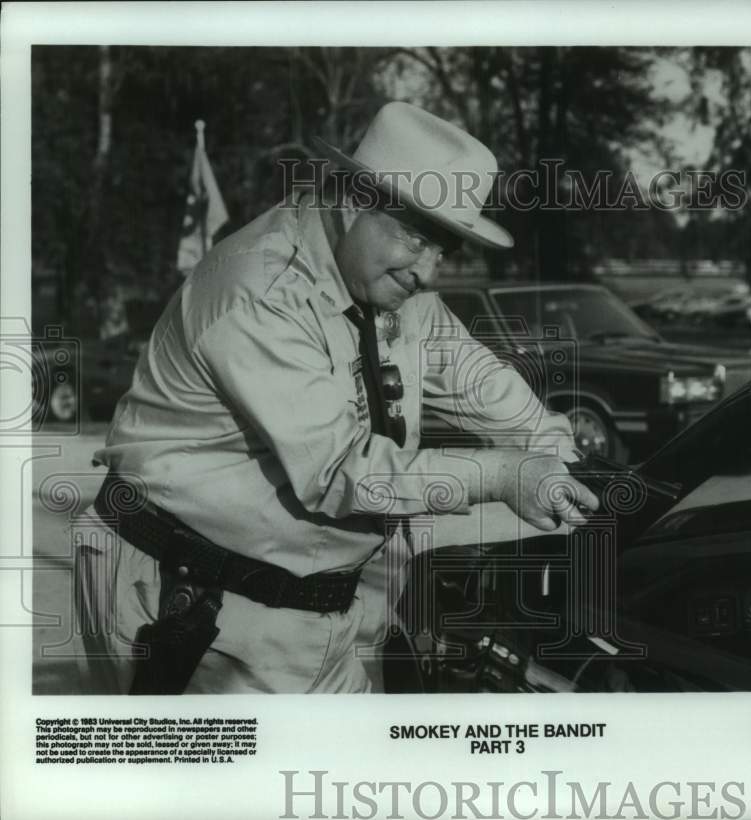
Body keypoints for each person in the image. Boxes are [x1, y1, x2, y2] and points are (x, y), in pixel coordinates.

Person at [74, 101, 598, 695]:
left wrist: (557, 452)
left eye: (443, 248)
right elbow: (339, 470)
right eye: (417, 238)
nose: (428, 272)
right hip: (191, 604)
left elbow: (477, 380)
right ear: (353, 200)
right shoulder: (260, 289)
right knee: (222, 788)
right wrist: (504, 476)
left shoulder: (395, 288)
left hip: (312, 608)